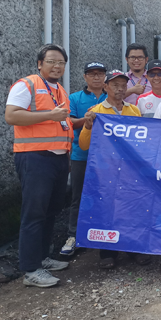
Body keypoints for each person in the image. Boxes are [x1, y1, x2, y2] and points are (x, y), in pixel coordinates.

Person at [5, 44, 73, 287]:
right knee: (34, 213)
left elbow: (61, 122)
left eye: (61, 63)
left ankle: (43, 258)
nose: (57, 66)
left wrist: (83, 120)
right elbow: (12, 115)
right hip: (34, 157)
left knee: (50, 211)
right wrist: (48, 116)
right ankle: (31, 270)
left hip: (57, 158)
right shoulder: (27, 84)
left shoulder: (59, 91)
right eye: (52, 61)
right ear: (40, 63)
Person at [79, 69, 150, 269]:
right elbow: (84, 145)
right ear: (105, 87)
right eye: (115, 85)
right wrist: (87, 125)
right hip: (106, 171)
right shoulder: (97, 111)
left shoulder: (134, 110)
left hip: (130, 171)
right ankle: (107, 252)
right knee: (107, 210)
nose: (120, 89)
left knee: (131, 209)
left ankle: (133, 249)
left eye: (123, 85)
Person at [59, 61, 107, 256]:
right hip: (82, 154)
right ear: (85, 77)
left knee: (107, 196)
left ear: (105, 77)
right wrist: (87, 119)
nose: (96, 77)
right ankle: (73, 235)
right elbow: (68, 122)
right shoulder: (75, 98)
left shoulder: (110, 96)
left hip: (108, 158)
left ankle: (105, 237)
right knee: (78, 197)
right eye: (92, 74)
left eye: (100, 73)